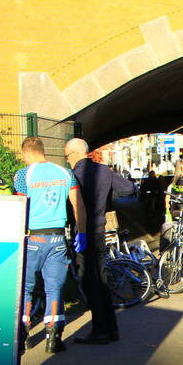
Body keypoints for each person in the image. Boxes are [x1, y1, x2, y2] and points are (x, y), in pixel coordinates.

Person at [14, 136, 87, 353]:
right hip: (58, 239)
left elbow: (20, 208)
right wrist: (81, 233)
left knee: (25, 288)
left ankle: (23, 335)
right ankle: (54, 338)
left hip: (32, 238)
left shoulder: (23, 175)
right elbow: (78, 205)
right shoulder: (65, 173)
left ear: (26, 153)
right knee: (54, 288)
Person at [65, 137, 136, 345]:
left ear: (75, 154)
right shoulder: (105, 171)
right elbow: (129, 189)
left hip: (83, 233)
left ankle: (99, 330)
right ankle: (111, 329)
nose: (67, 160)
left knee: (90, 282)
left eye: (67, 156)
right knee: (102, 279)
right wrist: (108, 195)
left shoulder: (73, 176)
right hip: (100, 230)